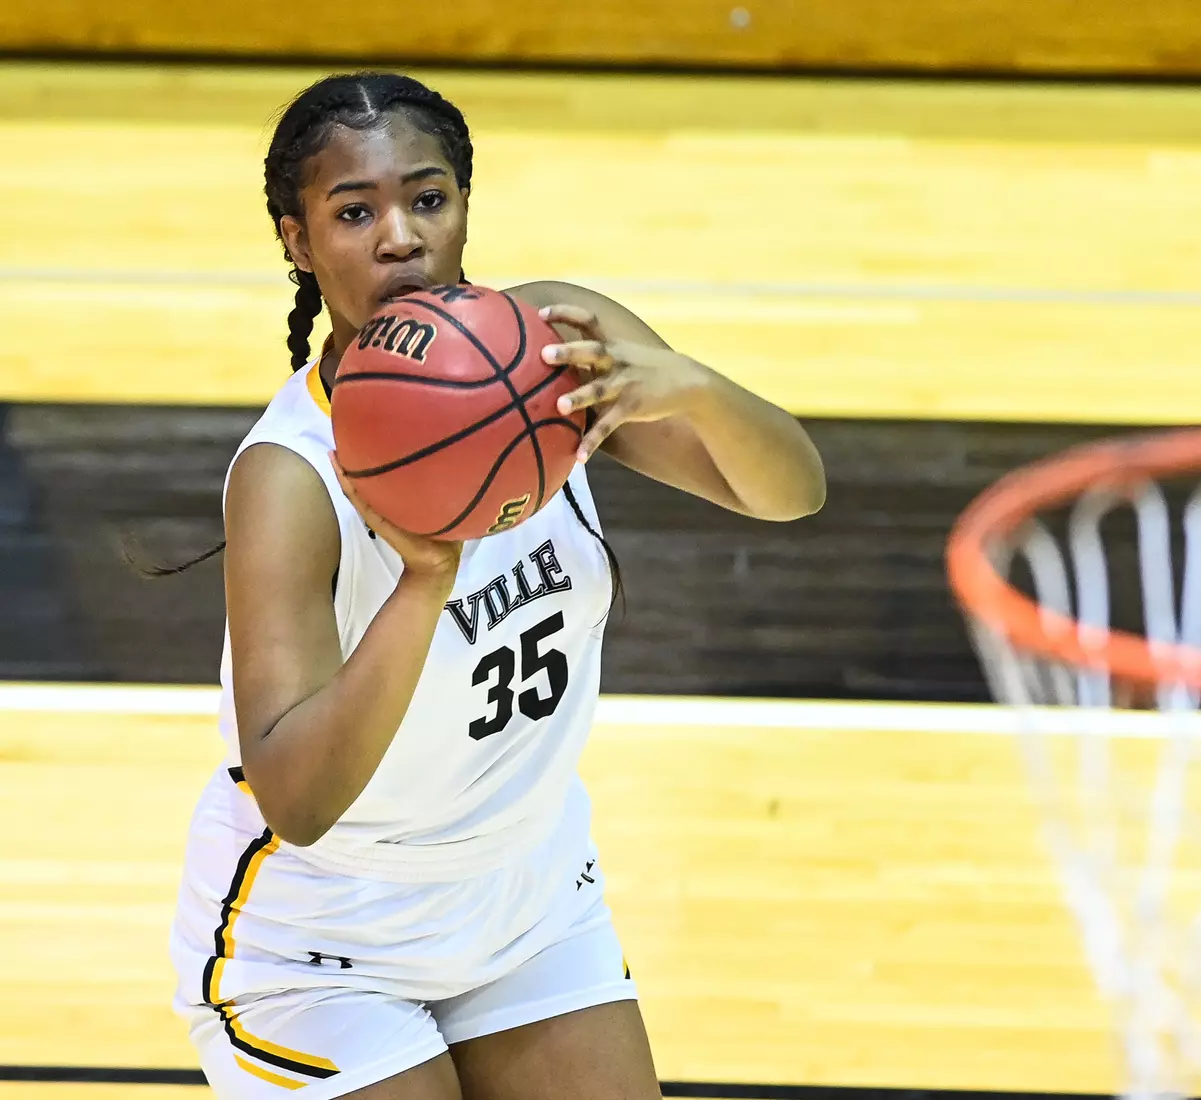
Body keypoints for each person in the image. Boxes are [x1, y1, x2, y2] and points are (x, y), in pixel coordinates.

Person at [167, 71, 826, 1100]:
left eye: (427, 199)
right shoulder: (289, 476)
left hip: (529, 897)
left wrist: (695, 386)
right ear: (299, 241)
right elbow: (296, 798)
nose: (400, 238)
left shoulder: (558, 348)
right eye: (354, 212)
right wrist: (424, 580)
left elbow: (790, 491)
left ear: (464, 206)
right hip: (325, 937)